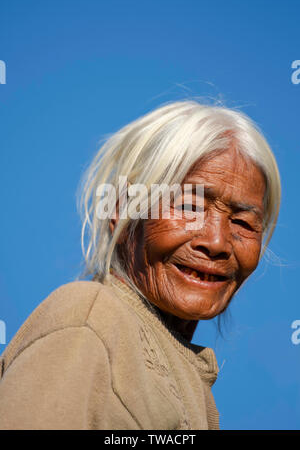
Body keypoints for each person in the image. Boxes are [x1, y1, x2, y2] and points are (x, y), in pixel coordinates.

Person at [0, 100, 281, 430]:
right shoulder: (90, 322)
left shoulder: (171, 368)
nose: (217, 242)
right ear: (122, 211)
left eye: (243, 223)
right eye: (189, 206)